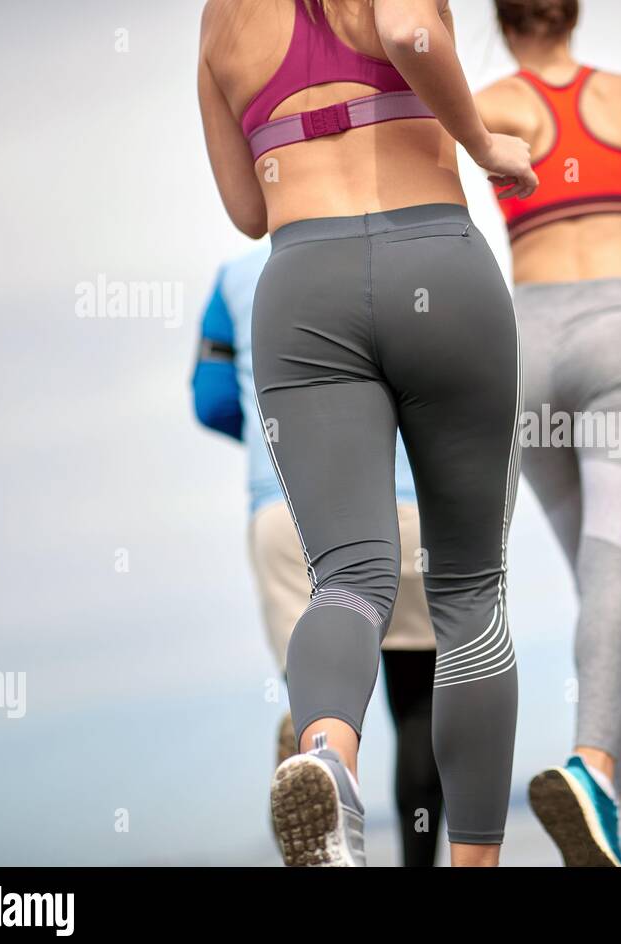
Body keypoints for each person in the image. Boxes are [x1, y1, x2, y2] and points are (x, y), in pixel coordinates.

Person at [198, 0, 537, 867]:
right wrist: (483, 142)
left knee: (347, 580)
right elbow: (407, 35)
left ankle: (327, 760)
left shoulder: (218, 20)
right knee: (469, 598)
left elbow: (245, 206)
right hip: (436, 260)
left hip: (302, 284)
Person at [475, 0, 621, 866]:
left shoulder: (487, 103)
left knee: (600, 587)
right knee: (615, 577)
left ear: (502, 18)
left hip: (525, 345)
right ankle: (593, 773)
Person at [191, 245, 445, 867]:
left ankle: (320, 779)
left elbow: (211, 400)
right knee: (417, 709)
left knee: (318, 696)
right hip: (405, 502)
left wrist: (265, 428)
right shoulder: (409, 254)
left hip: (285, 504)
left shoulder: (237, 277)